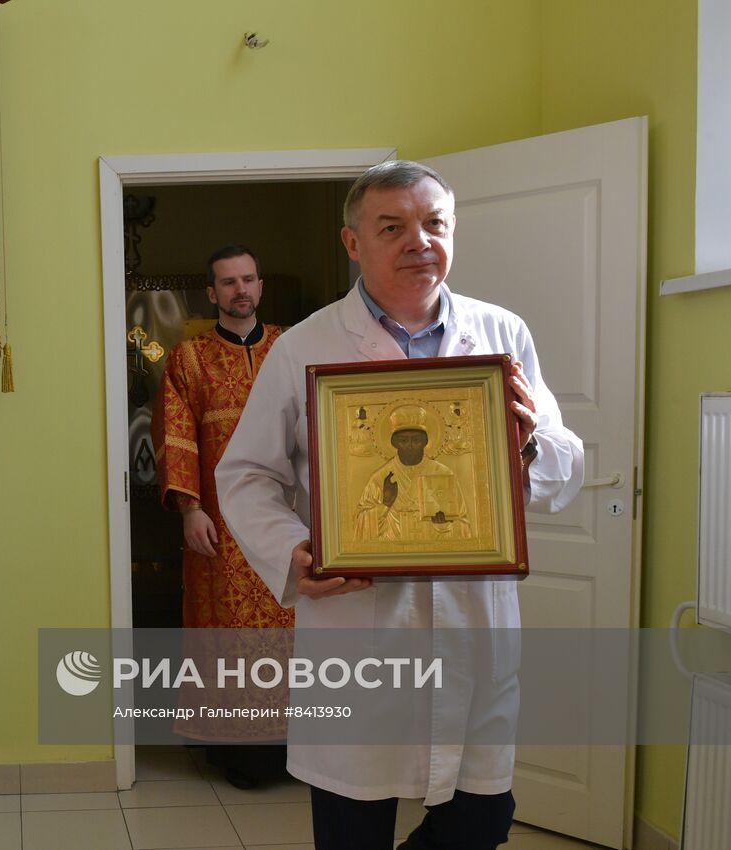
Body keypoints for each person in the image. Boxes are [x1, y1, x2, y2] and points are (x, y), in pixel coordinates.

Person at [216, 161, 583, 850]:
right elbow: (245, 476)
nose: (420, 241)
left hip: (474, 624)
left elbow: (567, 464)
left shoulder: (502, 335)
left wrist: (529, 445)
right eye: (394, 227)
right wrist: (294, 554)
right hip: (360, 624)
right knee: (353, 824)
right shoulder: (304, 348)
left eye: (435, 224)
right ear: (353, 242)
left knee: (482, 816)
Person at [152, 245, 294, 789]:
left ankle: (301, 753)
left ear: (260, 286)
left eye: (249, 279)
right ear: (212, 294)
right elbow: (176, 436)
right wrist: (189, 509)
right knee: (227, 638)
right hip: (222, 526)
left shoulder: (292, 347)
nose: (240, 290)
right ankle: (242, 757)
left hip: (291, 520)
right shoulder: (188, 359)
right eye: (228, 282)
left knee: (299, 633)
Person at [353, 404, 471, 543]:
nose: (410, 445)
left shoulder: (443, 473)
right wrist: (385, 504)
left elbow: (464, 526)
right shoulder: (380, 478)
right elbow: (360, 527)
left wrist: (444, 525)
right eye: (403, 440)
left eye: (416, 440)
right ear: (395, 443)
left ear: (425, 442)